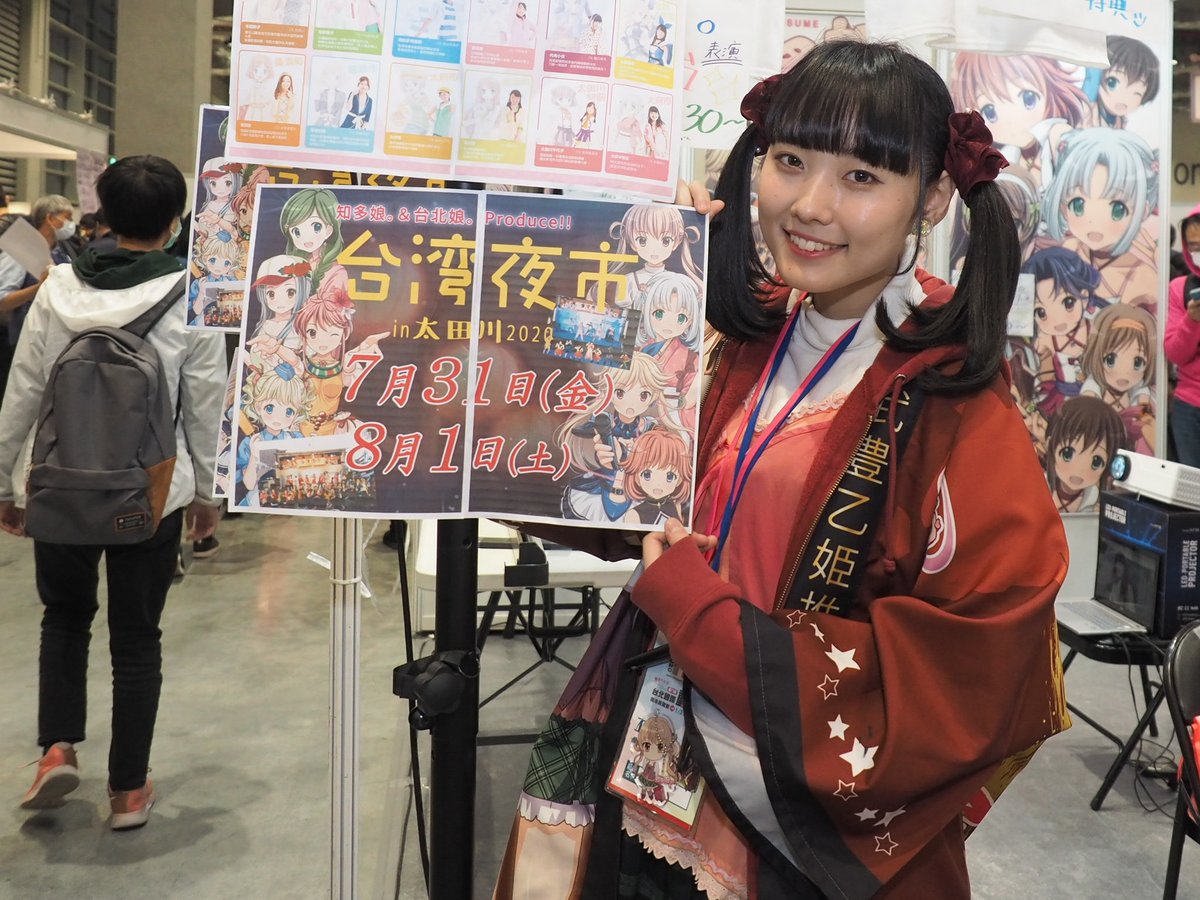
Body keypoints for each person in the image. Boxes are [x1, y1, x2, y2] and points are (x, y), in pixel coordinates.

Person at [495, 41, 1069, 899]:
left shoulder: (952, 396)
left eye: (861, 177)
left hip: (789, 836)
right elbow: (632, 495)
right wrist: (640, 288)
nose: (809, 205)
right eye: (791, 161)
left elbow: (976, 664)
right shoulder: (744, 330)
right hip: (656, 772)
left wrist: (698, 611)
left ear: (933, 196)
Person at [0, 155, 225, 830]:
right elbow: (205, 406)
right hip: (152, 492)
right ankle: (127, 790)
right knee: (136, 640)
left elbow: (25, 389)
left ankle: (56, 749)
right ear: (174, 221)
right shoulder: (191, 293)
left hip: (60, 484)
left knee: (64, 619)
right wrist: (208, 496)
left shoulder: (59, 287)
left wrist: (6, 480)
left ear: (102, 215)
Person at [0, 195, 77, 349]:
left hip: (53, 339)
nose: (71, 224)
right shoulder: (20, 251)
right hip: (24, 342)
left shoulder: (62, 251)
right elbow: (2, 301)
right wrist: (39, 287)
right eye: (67, 218)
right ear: (50, 218)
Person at [1165, 205, 1200, 469]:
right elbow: (1175, 353)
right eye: (1194, 246)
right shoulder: (1180, 288)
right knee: (1192, 488)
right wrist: (1192, 320)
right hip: (1189, 408)